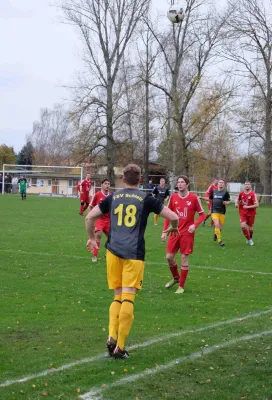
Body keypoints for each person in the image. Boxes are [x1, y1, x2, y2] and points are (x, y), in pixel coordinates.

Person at [85, 164, 179, 359]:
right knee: (128, 297)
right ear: (140, 179)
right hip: (134, 254)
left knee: (117, 296)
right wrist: (173, 227)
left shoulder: (113, 197)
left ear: (123, 179)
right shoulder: (146, 199)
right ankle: (119, 347)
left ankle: (111, 335)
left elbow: (90, 216)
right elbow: (173, 216)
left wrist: (92, 238)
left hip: (112, 251)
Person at [162, 175, 205, 294]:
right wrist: (164, 231)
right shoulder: (173, 197)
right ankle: (176, 278)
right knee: (169, 257)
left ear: (187, 184)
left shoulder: (194, 198)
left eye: (182, 182)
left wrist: (194, 225)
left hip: (187, 233)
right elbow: (167, 215)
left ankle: (181, 286)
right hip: (174, 231)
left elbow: (202, 215)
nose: (179, 184)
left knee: (184, 258)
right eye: (178, 182)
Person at [88, 179, 111, 262]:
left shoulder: (111, 196)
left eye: (108, 184)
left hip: (109, 220)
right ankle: (95, 256)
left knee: (112, 238)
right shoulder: (97, 195)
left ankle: (108, 254)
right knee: (98, 234)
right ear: (102, 185)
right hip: (99, 219)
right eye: (105, 183)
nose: (107, 185)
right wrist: (91, 217)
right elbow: (90, 206)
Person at [235, 181, 259, 246]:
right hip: (243, 213)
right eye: (246, 184)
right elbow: (237, 199)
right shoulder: (241, 193)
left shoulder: (253, 194)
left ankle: (250, 237)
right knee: (243, 226)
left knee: (250, 228)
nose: (247, 185)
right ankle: (249, 240)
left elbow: (257, 205)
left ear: (250, 186)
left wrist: (247, 207)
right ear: (244, 186)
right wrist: (236, 203)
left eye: (248, 184)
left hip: (251, 214)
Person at [208, 179, 231, 247]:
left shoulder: (225, 192)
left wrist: (226, 202)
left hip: (222, 212)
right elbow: (209, 198)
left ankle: (216, 234)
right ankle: (219, 240)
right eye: (219, 182)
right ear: (217, 184)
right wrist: (201, 197)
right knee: (217, 225)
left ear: (224, 185)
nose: (221, 184)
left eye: (222, 183)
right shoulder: (214, 192)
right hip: (214, 211)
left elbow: (228, 201)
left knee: (220, 228)